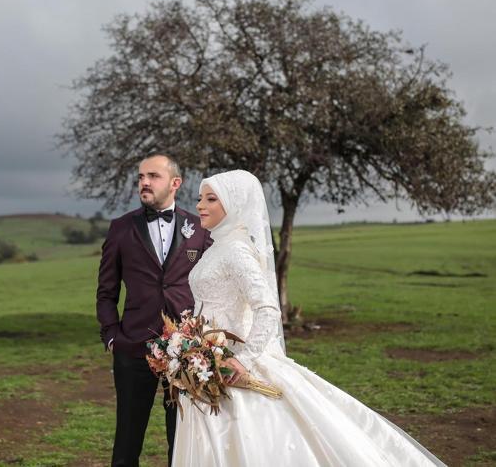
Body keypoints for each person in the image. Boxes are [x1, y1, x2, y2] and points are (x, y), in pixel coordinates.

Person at [171, 169, 447, 467]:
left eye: (211, 199)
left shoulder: (237, 250)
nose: (200, 205)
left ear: (235, 204)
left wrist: (243, 360)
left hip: (233, 366)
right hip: (206, 364)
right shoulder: (216, 247)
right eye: (200, 198)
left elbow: (268, 309)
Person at [96, 153, 212, 467]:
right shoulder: (121, 228)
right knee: (127, 442)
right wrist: (112, 337)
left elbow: (214, 285)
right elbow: (106, 291)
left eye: (153, 176)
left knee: (184, 439)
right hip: (133, 349)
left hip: (186, 352)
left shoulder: (198, 227)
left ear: (175, 183)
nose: (144, 183)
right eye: (141, 177)